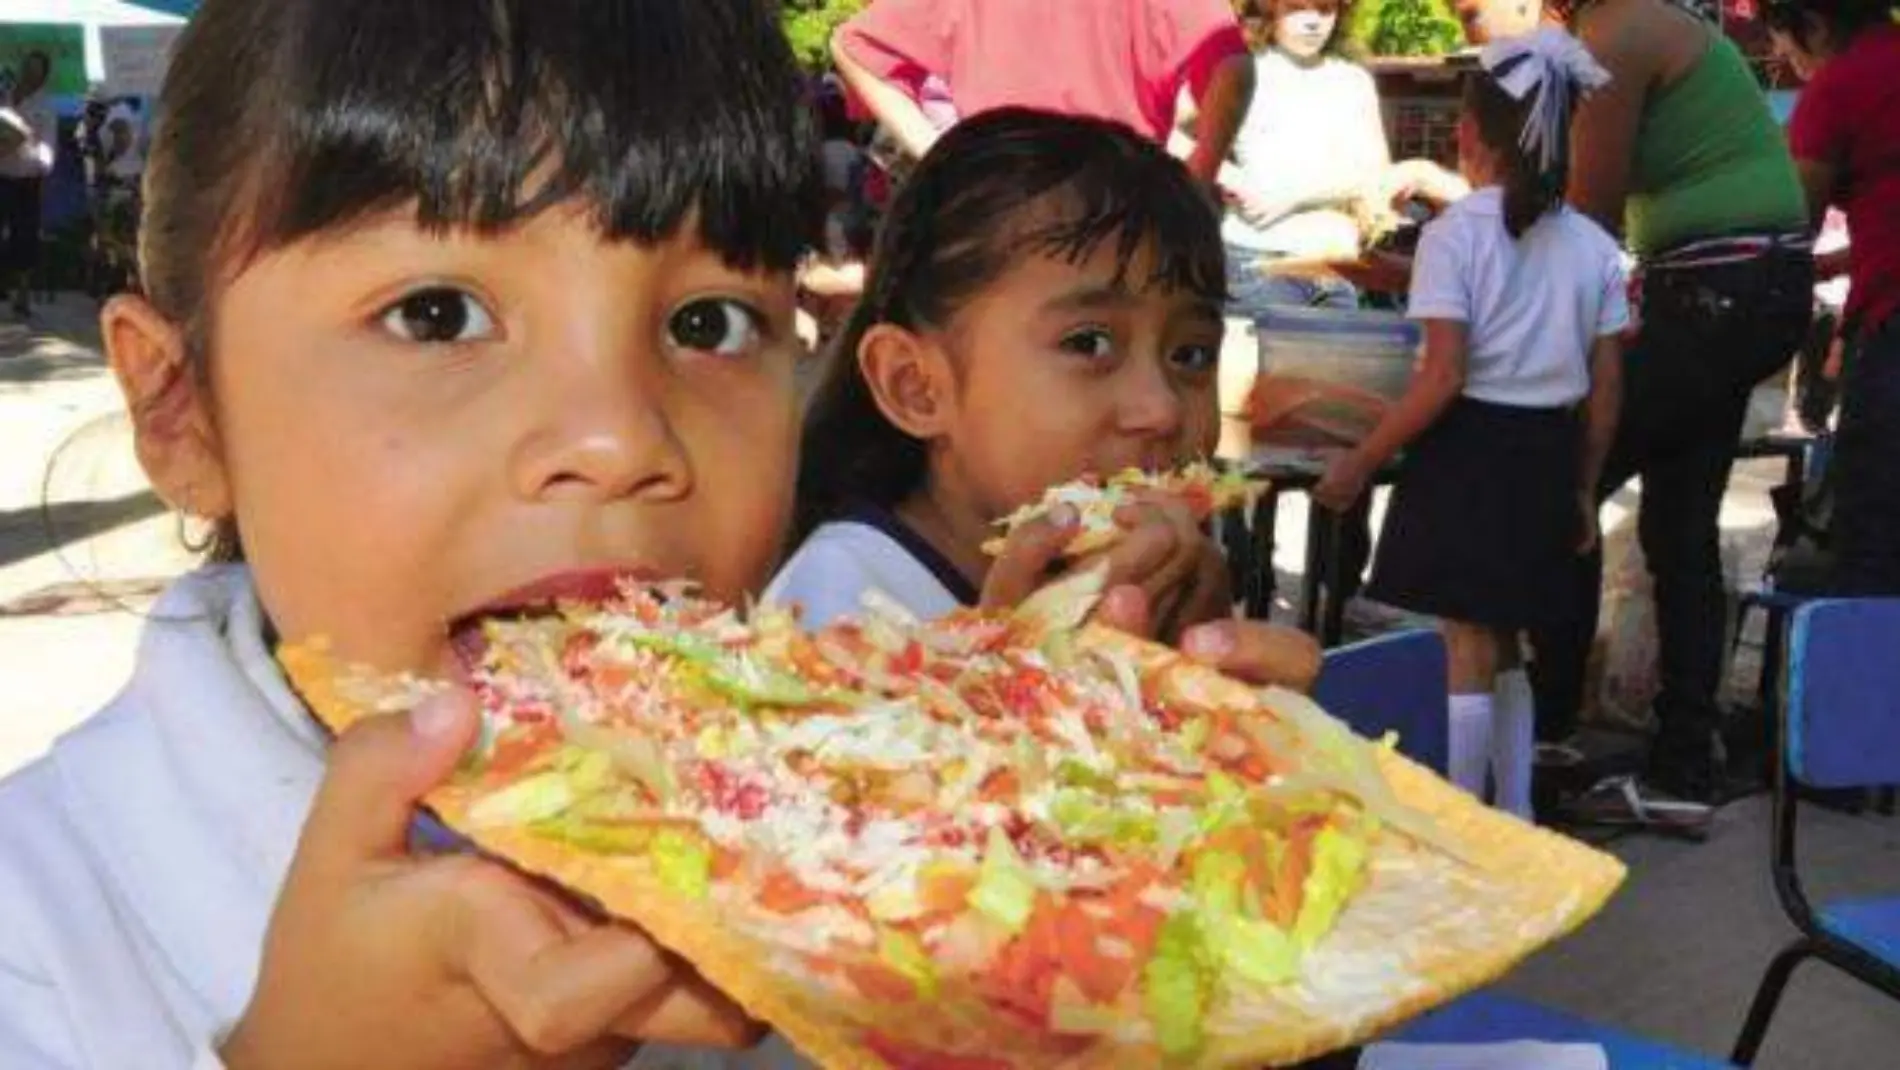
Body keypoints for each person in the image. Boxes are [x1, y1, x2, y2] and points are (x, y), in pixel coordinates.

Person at [0, 6, 1323, 1065]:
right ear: (180, 408)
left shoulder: (868, 830)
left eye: (707, 325)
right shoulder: (40, 922)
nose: (623, 433)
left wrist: (1150, 954)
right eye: (439, 314)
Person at [774, 107, 1322, 690]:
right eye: (1089, 343)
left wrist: (1230, 707)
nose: (1162, 409)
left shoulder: (1170, 591)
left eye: (1190, 354)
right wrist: (1021, 675)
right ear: (916, 386)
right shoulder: (834, 616)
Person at [1315, 30, 1627, 818]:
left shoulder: (1455, 235)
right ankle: (1513, 810)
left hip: (1471, 448)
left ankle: (1464, 813)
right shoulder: (1594, 246)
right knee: (1509, 642)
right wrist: (1584, 488)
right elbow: (1606, 388)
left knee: (1466, 643)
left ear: (1467, 135)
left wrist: (1362, 458)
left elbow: (1443, 375)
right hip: (1549, 450)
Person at [1522, 0, 1815, 808]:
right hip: (1746, 287)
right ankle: (1686, 761)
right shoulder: (1648, 25)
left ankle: (1547, 735)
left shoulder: (1616, 34)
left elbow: (1590, 213)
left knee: (1566, 490)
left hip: (1718, 289)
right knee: (1680, 524)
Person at [830, 0, 1257, 185]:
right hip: (1122, 201)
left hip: (1001, 199)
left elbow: (853, 47)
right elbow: (1233, 72)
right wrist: (1201, 177)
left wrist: (944, 153)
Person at [1769, 0, 1900, 595]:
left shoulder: (1838, 86)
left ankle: (1868, 684)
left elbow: (1793, 225)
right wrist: (1844, 261)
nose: (1778, 55)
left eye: (1782, 37)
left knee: (1872, 535)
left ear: (1814, 24)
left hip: (1893, 325)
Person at [1194, 0, 1390, 312]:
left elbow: (1377, 173)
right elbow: (1174, 135)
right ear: (1270, 9)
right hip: (1257, 261)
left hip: (1336, 263)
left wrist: (1292, 196)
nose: (1312, 22)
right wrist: (1227, 173)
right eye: (1297, 7)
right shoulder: (1241, 73)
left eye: (1325, 9)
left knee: (1341, 361)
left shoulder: (1354, 81)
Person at [0, 50, 54, 320]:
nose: (30, 74)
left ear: (44, 76)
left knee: (25, 236)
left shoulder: (45, 106)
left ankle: (22, 295)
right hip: (1, 174)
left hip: (27, 178)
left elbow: (48, 148)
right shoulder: (5, 95)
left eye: (36, 70)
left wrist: (40, 169)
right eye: (27, 67)